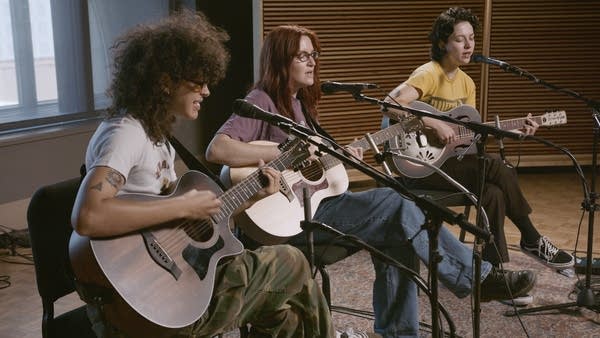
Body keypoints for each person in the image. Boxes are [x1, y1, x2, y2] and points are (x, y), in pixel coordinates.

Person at [205, 24, 536, 338]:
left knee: (398, 234)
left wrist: (341, 157)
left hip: (315, 206)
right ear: (280, 61)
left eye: (314, 55)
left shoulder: (299, 106)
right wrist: (284, 151)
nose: (312, 63)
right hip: (288, 222)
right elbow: (216, 149)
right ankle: (476, 278)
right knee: (397, 203)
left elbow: (314, 170)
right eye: (302, 56)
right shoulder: (260, 101)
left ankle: (399, 333)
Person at [70, 10, 334, 338]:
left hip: (170, 287)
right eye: (199, 81)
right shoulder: (126, 132)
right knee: (291, 262)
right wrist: (184, 206)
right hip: (146, 302)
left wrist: (250, 195)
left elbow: (184, 224)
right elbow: (89, 216)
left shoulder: (157, 138)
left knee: (286, 316)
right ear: (166, 81)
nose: (207, 92)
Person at [385, 7, 574, 272]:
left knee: (493, 193)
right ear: (443, 43)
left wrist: (511, 132)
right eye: (460, 39)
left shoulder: (467, 83)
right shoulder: (428, 73)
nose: (469, 45)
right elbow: (390, 104)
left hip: (448, 163)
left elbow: (468, 137)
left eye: (472, 38)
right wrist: (433, 122)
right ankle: (531, 237)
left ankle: (493, 272)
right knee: (498, 167)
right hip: (418, 166)